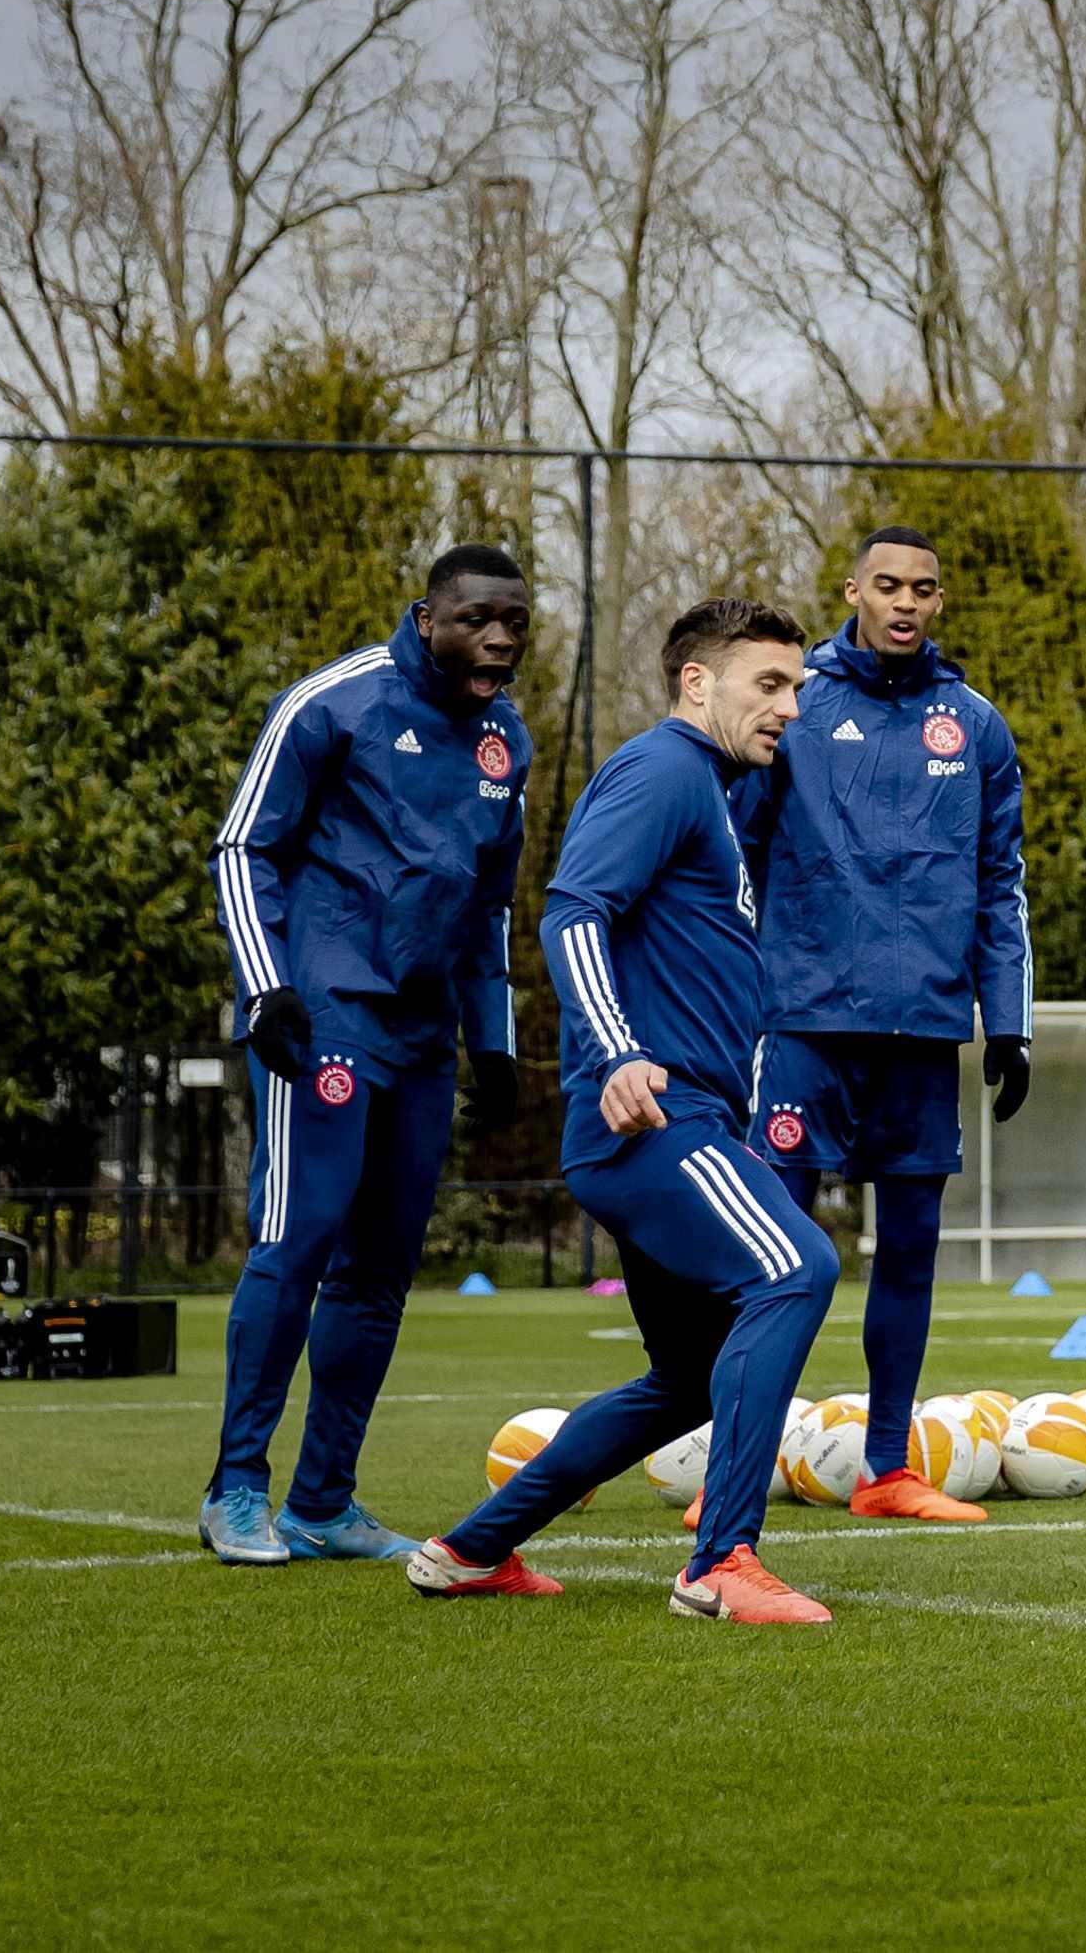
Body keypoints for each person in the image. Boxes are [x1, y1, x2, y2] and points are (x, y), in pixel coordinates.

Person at [405, 597, 844, 1624]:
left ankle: (470, 1549)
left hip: (680, 1118)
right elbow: (574, 909)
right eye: (769, 684)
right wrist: (616, 1052)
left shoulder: (716, 790)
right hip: (652, 1117)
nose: (790, 706)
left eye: (796, 686)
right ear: (697, 682)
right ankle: (720, 1560)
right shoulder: (664, 769)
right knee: (796, 1267)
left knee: (686, 1377)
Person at [197, 544, 538, 1566]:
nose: (499, 638)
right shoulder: (332, 702)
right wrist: (268, 986)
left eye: (516, 622)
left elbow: (490, 903)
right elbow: (242, 846)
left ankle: (323, 1501)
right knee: (297, 1240)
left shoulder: (506, 741)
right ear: (427, 616)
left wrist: (494, 1039)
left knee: (382, 1268)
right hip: (325, 1015)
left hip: (424, 1036)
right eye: (477, 618)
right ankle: (236, 1488)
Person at [736, 527, 1031, 1524]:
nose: (906, 601)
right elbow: (737, 855)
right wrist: (738, 997)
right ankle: (739, 1465)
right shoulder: (797, 705)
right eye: (889, 584)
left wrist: (1009, 1021)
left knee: (907, 1250)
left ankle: (886, 1468)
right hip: (805, 1022)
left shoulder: (975, 724)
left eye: (924, 588)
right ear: (853, 589)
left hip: (924, 1029)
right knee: (774, 1251)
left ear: (940, 601)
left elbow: (1000, 879)